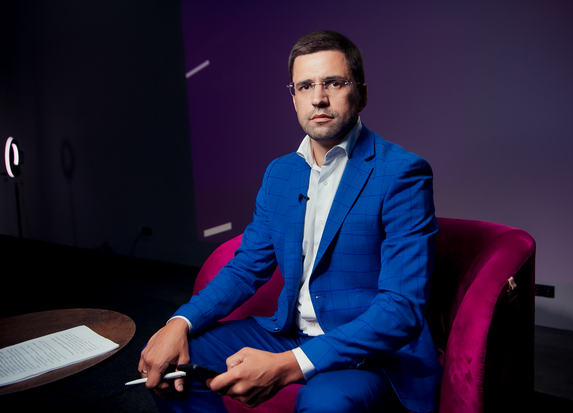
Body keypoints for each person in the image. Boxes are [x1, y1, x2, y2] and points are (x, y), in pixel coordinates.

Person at [139, 30, 442, 413]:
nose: (318, 98)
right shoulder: (280, 174)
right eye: (305, 86)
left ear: (362, 94)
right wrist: (179, 323)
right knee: (172, 366)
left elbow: (401, 308)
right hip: (289, 333)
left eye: (334, 83)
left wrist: (290, 365)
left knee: (324, 404)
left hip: (372, 353)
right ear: (294, 97)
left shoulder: (402, 173)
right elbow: (246, 268)